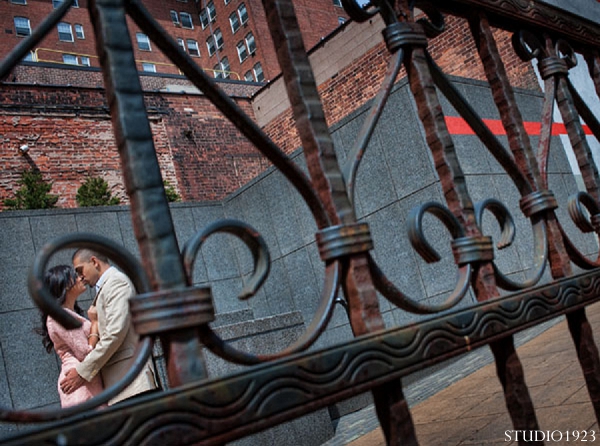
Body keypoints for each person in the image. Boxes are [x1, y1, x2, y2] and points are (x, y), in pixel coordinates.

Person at [60, 249, 157, 405]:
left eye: (80, 270)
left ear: (94, 262)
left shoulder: (116, 282)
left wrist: (82, 372)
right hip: (123, 385)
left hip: (132, 383)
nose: (80, 277)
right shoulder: (106, 287)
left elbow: (114, 333)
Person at [39, 265, 104, 408]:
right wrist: (95, 323)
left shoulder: (69, 313)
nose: (80, 278)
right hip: (79, 383)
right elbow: (85, 352)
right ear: (64, 285)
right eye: (74, 276)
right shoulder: (58, 317)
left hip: (86, 380)